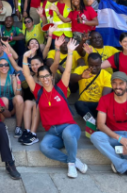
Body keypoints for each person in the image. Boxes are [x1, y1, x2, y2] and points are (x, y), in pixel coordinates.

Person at [22, 39, 88, 178]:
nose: (45, 79)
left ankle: (71, 165)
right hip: (53, 132)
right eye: (42, 77)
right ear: (39, 78)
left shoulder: (61, 88)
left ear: (51, 76)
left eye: (47, 76)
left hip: (69, 127)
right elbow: (27, 75)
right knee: (44, 147)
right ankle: (73, 160)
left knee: (68, 135)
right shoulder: (38, 91)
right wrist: (24, 57)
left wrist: (70, 52)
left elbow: (68, 71)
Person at [0, 57, 24, 138]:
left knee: (19, 98)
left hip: (11, 107)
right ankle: (2, 127)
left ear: (9, 66)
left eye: (6, 65)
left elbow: (17, 93)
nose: (3, 67)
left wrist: (18, 83)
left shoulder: (13, 77)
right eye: (1, 65)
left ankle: (18, 127)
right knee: (4, 100)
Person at [71, 53, 112, 118]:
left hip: (99, 105)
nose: (94, 68)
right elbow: (71, 79)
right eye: (91, 65)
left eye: (97, 65)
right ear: (87, 63)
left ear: (101, 63)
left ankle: (95, 121)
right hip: (84, 104)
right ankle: (92, 123)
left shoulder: (107, 75)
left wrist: (102, 111)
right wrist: (81, 76)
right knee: (78, 104)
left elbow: (105, 96)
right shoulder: (81, 69)